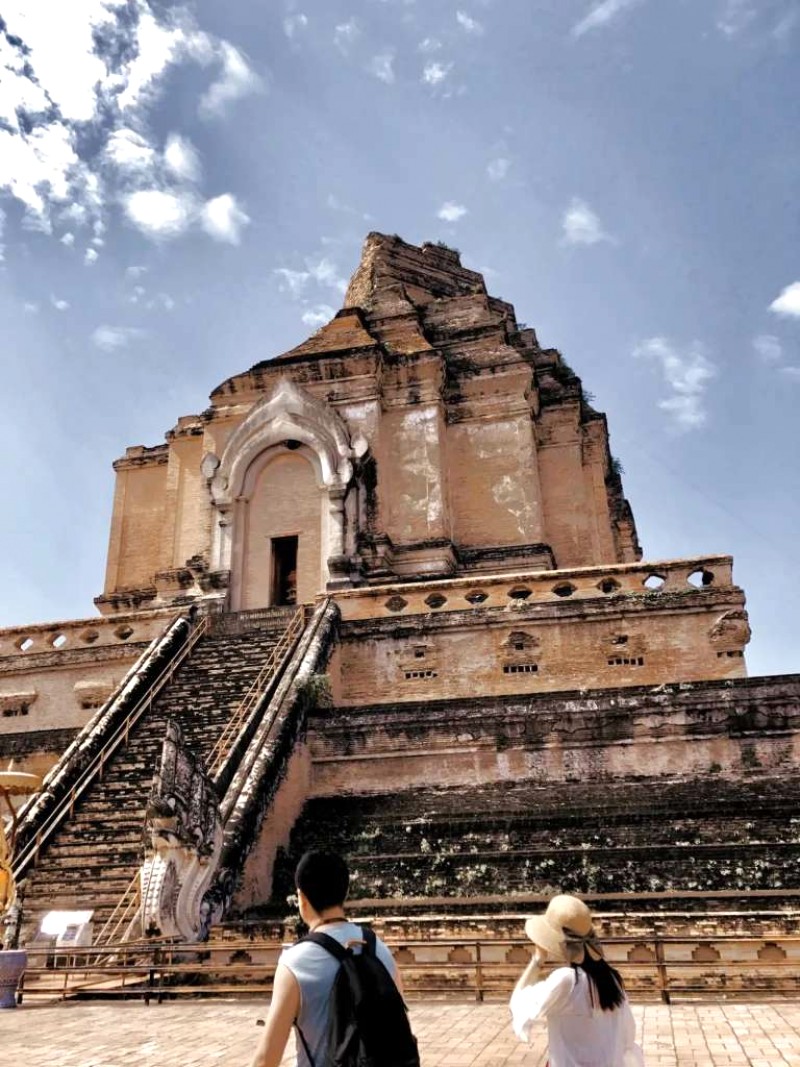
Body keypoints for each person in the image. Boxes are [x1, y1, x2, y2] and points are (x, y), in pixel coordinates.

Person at [249, 850, 402, 1067]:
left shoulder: (295, 963)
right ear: (345, 893)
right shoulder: (380, 951)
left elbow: (266, 1061)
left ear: (301, 899)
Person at [509, 894, 644, 1067]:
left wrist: (537, 959)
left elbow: (519, 1003)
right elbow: (627, 1038)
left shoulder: (567, 980)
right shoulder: (612, 978)